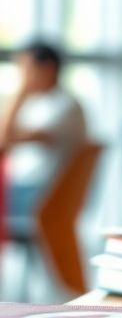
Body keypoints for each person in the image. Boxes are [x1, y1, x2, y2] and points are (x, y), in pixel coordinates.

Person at [0, 40, 87, 221]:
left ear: (48, 68)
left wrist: (20, 92)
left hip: (39, 195)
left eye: (26, 69)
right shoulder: (40, 103)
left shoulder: (65, 106)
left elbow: (5, 139)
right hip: (26, 189)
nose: (22, 76)